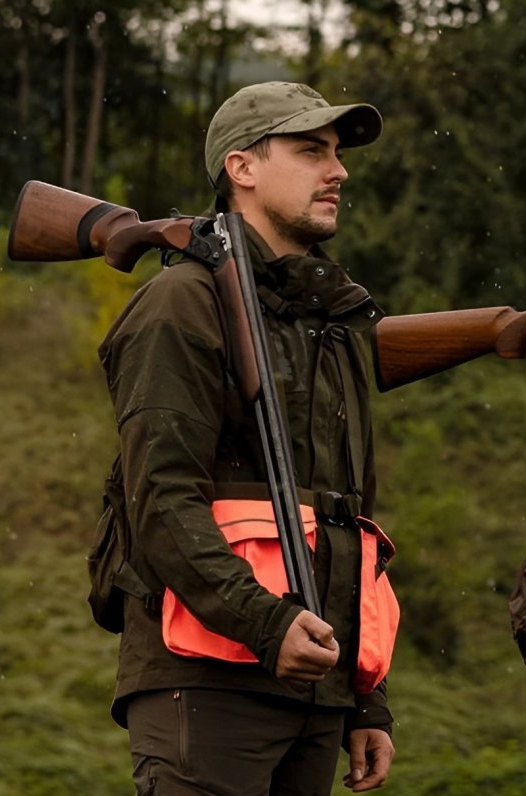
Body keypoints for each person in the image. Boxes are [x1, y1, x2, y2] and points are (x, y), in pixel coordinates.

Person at [98, 82, 396, 795]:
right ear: (242, 168)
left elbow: (346, 520)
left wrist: (363, 696)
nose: (339, 172)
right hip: (208, 678)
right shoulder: (181, 301)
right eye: (310, 151)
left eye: (337, 154)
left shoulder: (327, 320)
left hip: (313, 688)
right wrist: (265, 624)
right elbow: (161, 502)